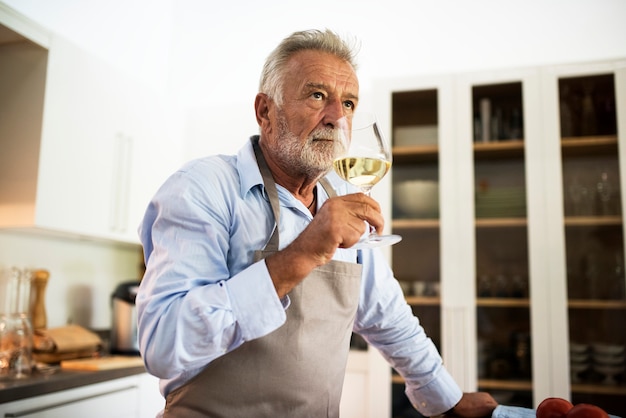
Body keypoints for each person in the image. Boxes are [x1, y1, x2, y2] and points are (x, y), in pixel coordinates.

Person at [137, 28, 498, 418]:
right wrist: (304, 252)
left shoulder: (339, 196)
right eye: (317, 96)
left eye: (348, 103)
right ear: (265, 111)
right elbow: (163, 345)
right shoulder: (202, 188)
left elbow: (387, 315)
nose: (337, 118)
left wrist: (447, 399)